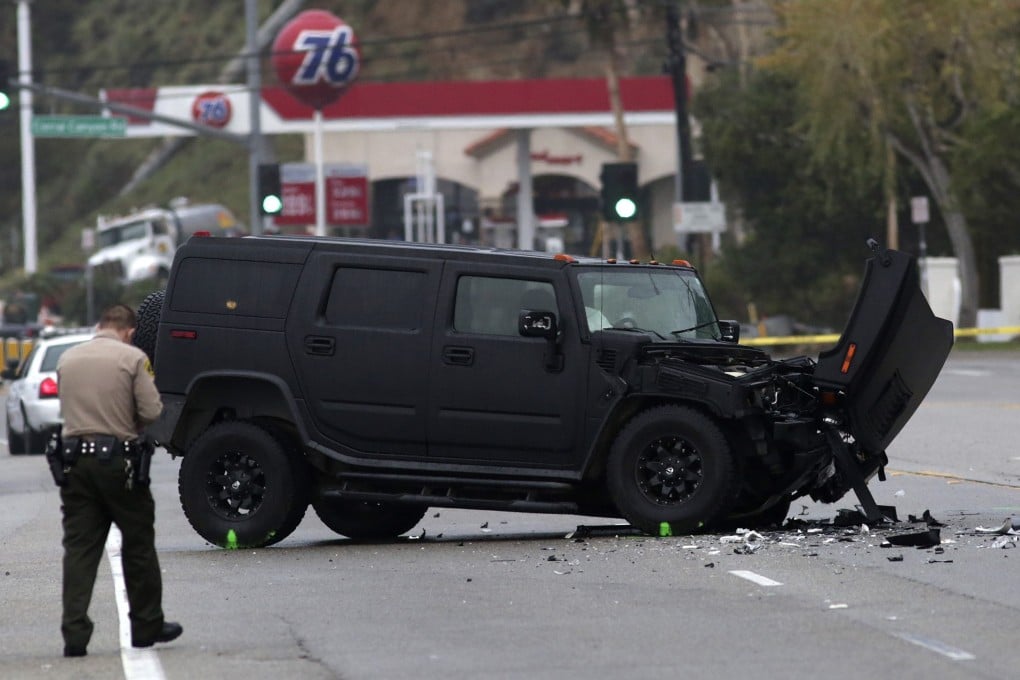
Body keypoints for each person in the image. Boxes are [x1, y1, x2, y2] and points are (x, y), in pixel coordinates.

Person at [55, 304, 182, 657]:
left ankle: (74, 633)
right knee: (138, 542)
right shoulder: (133, 358)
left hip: (74, 463)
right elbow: (152, 410)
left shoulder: (67, 359)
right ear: (129, 331)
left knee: (79, 548)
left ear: (101, 326)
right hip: (118, 463)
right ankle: (146, 625)